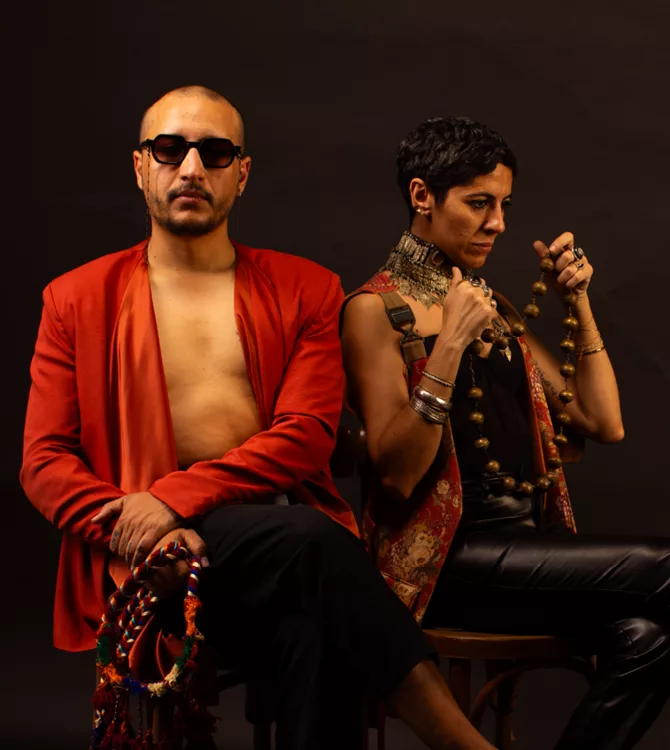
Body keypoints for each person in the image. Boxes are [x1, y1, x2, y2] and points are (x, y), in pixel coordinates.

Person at [21, 87, 499, 750]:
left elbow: (306, 436)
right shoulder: (75, 298)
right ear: (140, 166)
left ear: (241, 174)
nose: (191, 168)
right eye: (170, 149)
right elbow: (44, 463)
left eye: (215, 153)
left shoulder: (306, 288)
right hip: (148, 558)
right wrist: (145, 529)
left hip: (269, 535)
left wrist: (173, 498)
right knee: (318, 562)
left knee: (315, 607)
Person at [341, 116, 670, 750]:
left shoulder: (487, 304)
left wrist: (579, 302)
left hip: (525, 553)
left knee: (649, 639)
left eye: (504, 206)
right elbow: (397, 476)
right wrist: (448, 347)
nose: (498, 224)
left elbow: (603, 422)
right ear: (421, 196)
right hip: (448, 564)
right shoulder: (375, 310)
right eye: (479, 204)